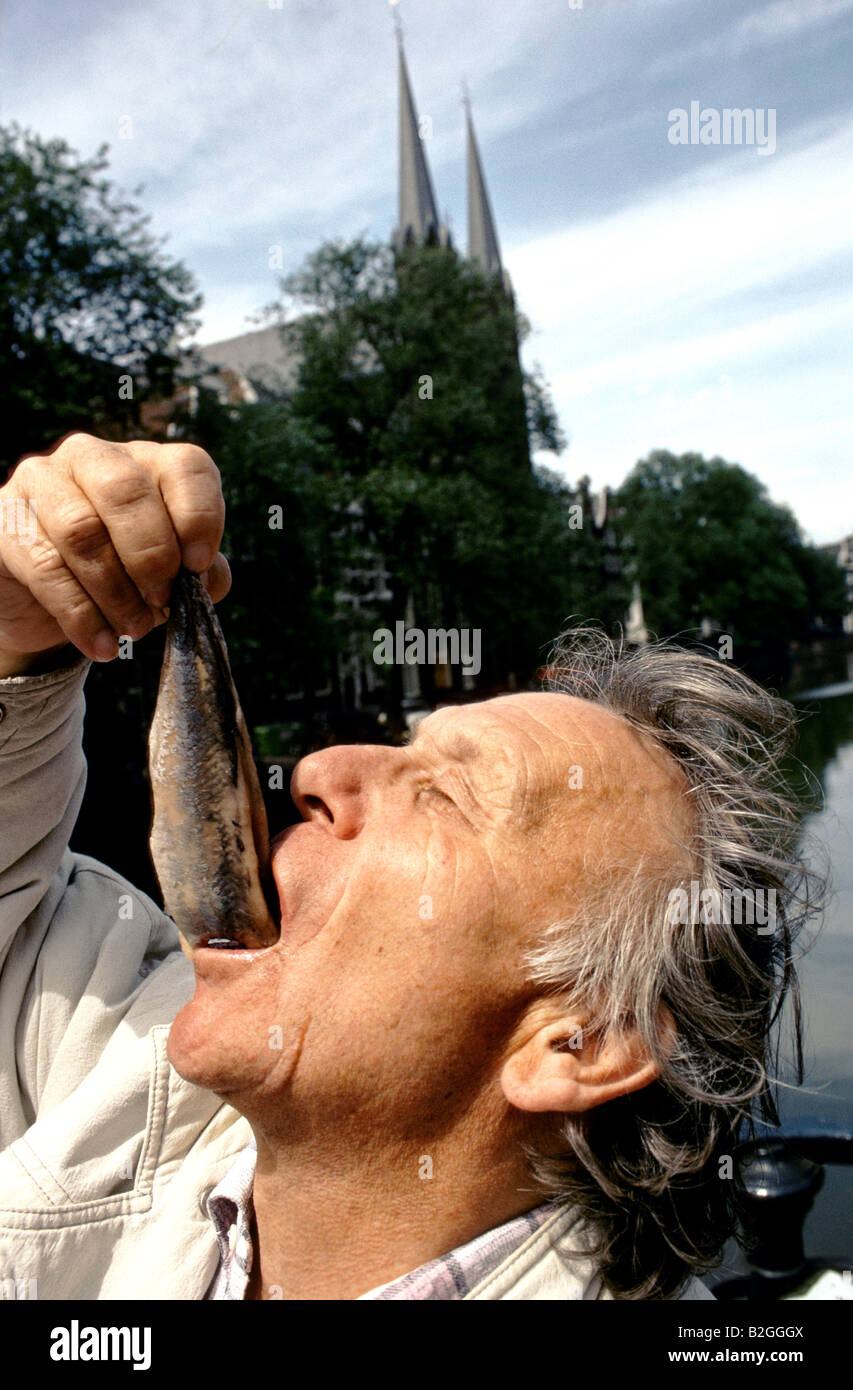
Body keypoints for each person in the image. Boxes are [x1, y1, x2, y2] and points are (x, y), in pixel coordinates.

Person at [0, 434, 812, 1301]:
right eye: (402, 750)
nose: (314, 771)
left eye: (447, 798)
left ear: (577, 1042)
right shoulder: (120, 1050)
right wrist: (15, 644)